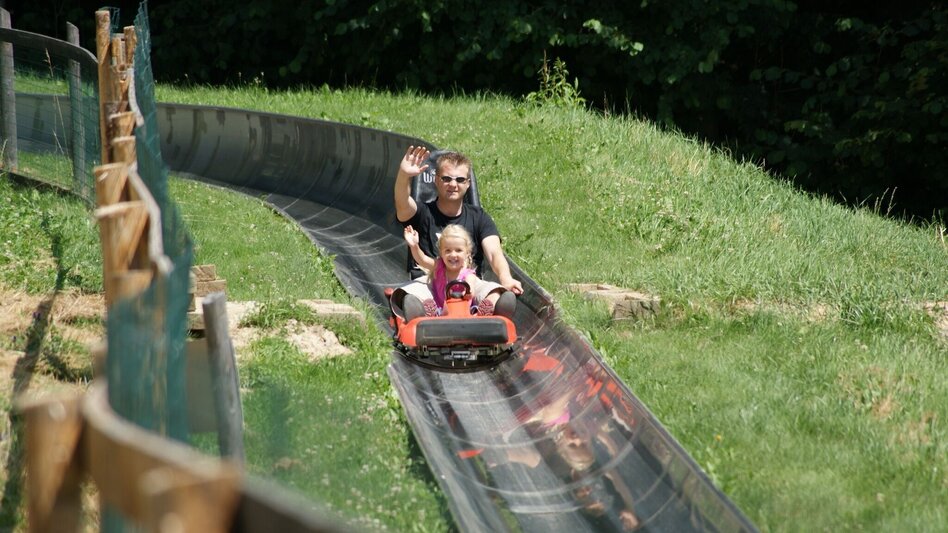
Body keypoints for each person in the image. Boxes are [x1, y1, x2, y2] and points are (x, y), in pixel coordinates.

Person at [392, 145, 522, 320]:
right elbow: (402, 203)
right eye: (446, 179)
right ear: (436, 180)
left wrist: (505, 279)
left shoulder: (479, 217)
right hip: (430, 282)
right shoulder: (423, 213)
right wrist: (403, 175)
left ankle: (485, 310)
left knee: (494, 291)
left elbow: (494, 253)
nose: (453, 184)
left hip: (468, 284)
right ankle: (423, 312)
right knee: (412, 293)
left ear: (468, 184)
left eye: (460, 180)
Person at [403, 223, 502, 316]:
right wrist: (414, 246)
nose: (453, 255)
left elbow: (471, 288)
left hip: (465, 312)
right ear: (441, 253)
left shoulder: (468, 274)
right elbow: (422, 259)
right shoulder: (439, 266)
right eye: (448, 251)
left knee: (494, 292)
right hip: (440, 311)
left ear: (467, 253)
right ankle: (424, 312)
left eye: (458, 250)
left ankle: (484, 312)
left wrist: (467, 292)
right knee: (418, 295)